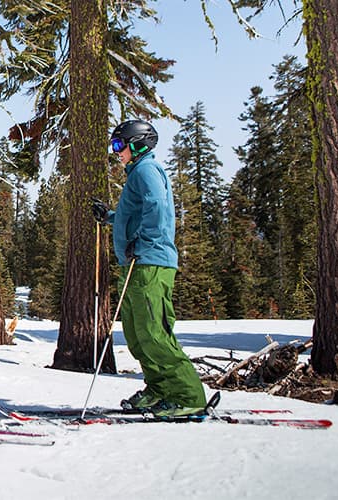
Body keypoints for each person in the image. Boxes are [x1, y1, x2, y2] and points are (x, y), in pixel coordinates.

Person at [91, 119, 208, 417]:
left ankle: (187, 395)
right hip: (137, 262)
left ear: (137, 143)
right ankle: (160, 390)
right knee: (137, 333)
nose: (115, 151)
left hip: (150, 262)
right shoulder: (137, 174)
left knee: (154, 331)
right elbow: (138, 212)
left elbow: (157, 206)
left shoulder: (146, 170)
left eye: (119, 145)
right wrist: (110, 217)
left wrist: (142, 243)